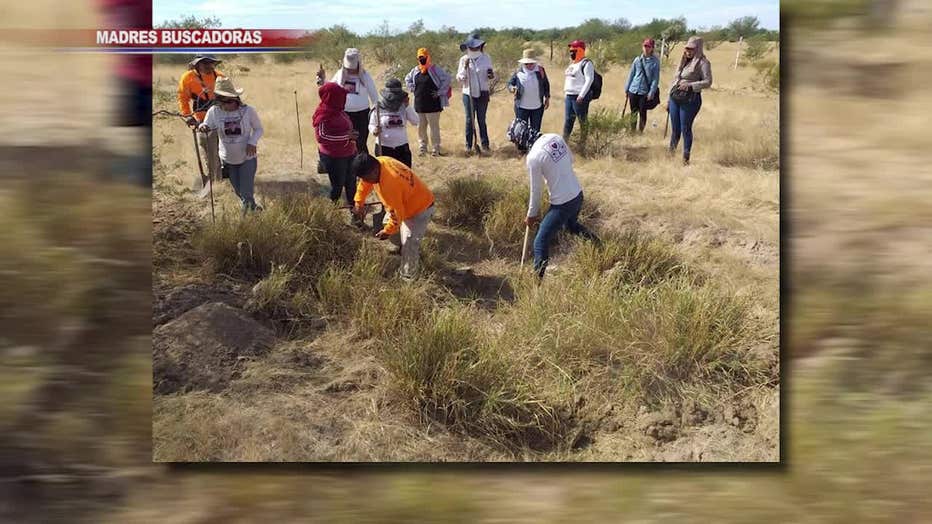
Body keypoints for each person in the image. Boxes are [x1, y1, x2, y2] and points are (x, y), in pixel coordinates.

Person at [506, 118, 598, 280]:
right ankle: (599, 245)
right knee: (571, 225)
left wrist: (531, 215)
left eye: (515, 141)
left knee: (540, 241)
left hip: (563, 204)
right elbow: (571, 159)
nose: (516, 146)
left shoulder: (533, 158)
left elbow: (536, 190)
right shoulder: (555, 137)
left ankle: (536, 282)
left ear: (519, 139)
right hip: (577, 194)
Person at [351, 153, 435, 281]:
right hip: (404, 205)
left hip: (419, 209)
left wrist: (387, 231)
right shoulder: (379, 162)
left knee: (409, 244)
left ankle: (408, 278)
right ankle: (400, 246)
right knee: (392, 229)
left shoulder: (390, 184)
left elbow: (397, 216)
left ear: (373, 171)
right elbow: (365, 183)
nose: (366, 181)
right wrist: (359, 202)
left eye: (367, 177)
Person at [198, 77, 264, 215]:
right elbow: (207, 124)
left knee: (246, 192)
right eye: (223, 101)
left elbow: (258, 129)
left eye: (230, 101)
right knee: (239, 191)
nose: (228, 105)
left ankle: (247, 222)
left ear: (236, 99)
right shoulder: (214, 112)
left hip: (247, 157)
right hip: (228, 160)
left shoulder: (248, 111)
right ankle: (255, 209)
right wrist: (203, 126)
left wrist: (252, 142)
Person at [316, 48, 378, 154]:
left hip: (362, 115)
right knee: (346, 142)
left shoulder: (365, 76)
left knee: (360, 143)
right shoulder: (340, 74)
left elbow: (375, 97)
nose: (350, 69)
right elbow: (331, 89)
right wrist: (322, 81)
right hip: (344, 115)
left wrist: (376, 116)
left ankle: (362, 168)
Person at [178, 54, 223, 188]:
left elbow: (232, 95)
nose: (209, 66)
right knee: (210, 155)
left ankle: (228, 178)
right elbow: (182, 98)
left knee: (227, 152)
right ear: (197, 64)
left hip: (223, 119)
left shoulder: (220, 76)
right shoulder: (188, 78)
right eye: (205, 63)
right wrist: (187, 116)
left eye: (211, 63)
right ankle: (215, 185)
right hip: (203, 123)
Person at [668, 36, 713, 165]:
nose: (688, 51)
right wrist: (668, 100)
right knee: (675, 129)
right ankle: (670, 154)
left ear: (698, 49)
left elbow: (708, 82)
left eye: (691, 49)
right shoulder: (682, 61)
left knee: (685, 128)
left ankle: (685, 158)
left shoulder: (703, 63)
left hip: (690, 99)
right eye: (687, 48)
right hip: (675, 97)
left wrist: (691, 85)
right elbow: (674, 80)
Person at [313, 82, 359, 207]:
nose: (344, 98)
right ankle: (332, 214)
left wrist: (351, 135)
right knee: (337, 187)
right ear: (333, 98)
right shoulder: (323, 114)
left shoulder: (339, 111)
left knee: (351, 185)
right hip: (334, 157)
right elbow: (321, 137)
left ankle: (355, 215)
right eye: (341, 96)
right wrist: (346, 136)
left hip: (349, 154)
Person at [404, 47, 452, 156]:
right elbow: (407, 79)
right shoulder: (415, 70)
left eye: (423, 57)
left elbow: (447, 79)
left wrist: (440, 92)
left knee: (434, 127)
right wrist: (412, 88)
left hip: (433, 104)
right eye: (420, 57)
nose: (422, 59)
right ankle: (423, 147)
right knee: (421, 127)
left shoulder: (435, 69)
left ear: (428, 57)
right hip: (419, 103)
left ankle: (436, 148)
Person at [456, 34, 495, 155]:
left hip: (483, 93)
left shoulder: (486, 58)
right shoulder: (464, 59)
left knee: (481, 119)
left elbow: (490, 74)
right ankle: (469, 145)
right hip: (469, 93)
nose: (473, 49)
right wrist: (465, 69)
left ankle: (485, 144)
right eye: (471, 47)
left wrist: (490, 75)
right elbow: (459, 78)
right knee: (469, 120)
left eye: (476, 47)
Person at [369, 79, 419, 167]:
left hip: (402, 148)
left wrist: (407, 106)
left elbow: (416, 121)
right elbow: (372, 124)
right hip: (383, 148)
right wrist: (374, 130)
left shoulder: (404, 106)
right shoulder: (378, 107)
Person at [507, 49, 550, 149]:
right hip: (521, 107)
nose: (529, 65)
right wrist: (512, 89)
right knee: (521, 130)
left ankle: (534, 150)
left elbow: (546, 85)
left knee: (535, 130)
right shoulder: (518, 71)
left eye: (531, 63)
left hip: (537, 107)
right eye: (526, 63)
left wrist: (547, 98)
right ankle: (521, 150)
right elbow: (509, 84)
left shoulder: (540, 71)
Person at [624, 38, 661, 133]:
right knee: (633, 112)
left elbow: (655, 79)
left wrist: (651, 92)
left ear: (652, 48)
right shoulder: (637, 60)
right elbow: (631, 74)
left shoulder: (655, 62)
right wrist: (627, 88)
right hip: (633, 89)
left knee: (642, 112)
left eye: (649, 46)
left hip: (644, 91)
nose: (646, 48)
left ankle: (640, 131)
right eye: (645, 46)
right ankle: (632, 131)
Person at [562, 39, 595, 144]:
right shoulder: (572, 64)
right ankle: (564, 142)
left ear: (580, 50)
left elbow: (589, 80)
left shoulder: (586, 63)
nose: (571, 52)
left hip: (579, 97)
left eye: (574, 50)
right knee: (568, 120)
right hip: (569, 96)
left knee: (582, 121)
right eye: (571, 50)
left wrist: (581, 95)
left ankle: (583, 143)